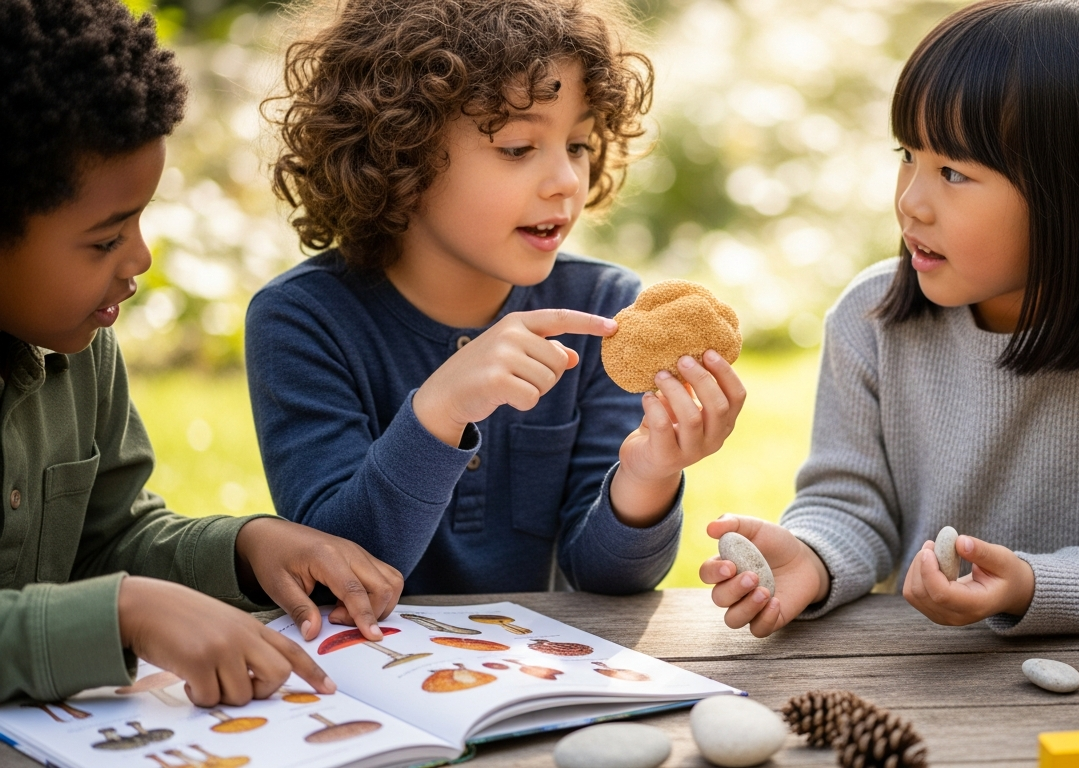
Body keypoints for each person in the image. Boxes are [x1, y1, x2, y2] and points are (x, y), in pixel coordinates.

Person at [702, 0, 1079, 637]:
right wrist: (811, 557)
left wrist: (1028, 587)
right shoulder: (870, 319)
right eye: (907, 154)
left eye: (953, 172)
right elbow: (850, 504)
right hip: (907, 668)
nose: (911, 202)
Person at [247, 0, 745, 595]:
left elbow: (607, 578)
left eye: (579, 145)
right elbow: (335, 576)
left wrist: (647, 475)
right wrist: (440, 411)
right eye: (517, 148)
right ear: (399, 151)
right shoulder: (301, 321)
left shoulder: (602, 308)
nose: (567, 180)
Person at [0, 0, 403, 706]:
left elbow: (107, 540)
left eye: (140, 221)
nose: (140, 259)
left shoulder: (82, 347)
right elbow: (112, 594)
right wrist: (122, 614)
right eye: (105, 239)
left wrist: (246, 548)